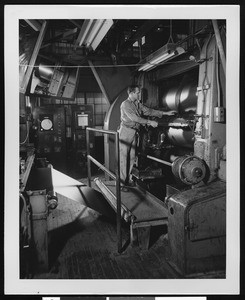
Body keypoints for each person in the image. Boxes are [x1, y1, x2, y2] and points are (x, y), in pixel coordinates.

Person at [118, 85, 175, 187]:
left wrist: (166, 113)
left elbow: (149, 111)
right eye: (137, 92)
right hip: (125, 132)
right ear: (131, 93)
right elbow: (134, 118)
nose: (139, 94)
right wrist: (150, 122)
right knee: (123, 159)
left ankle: (128, 180)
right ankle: (122, 184)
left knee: (131, 158)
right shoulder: (125, 104)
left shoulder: (137, 104)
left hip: (134, 132)